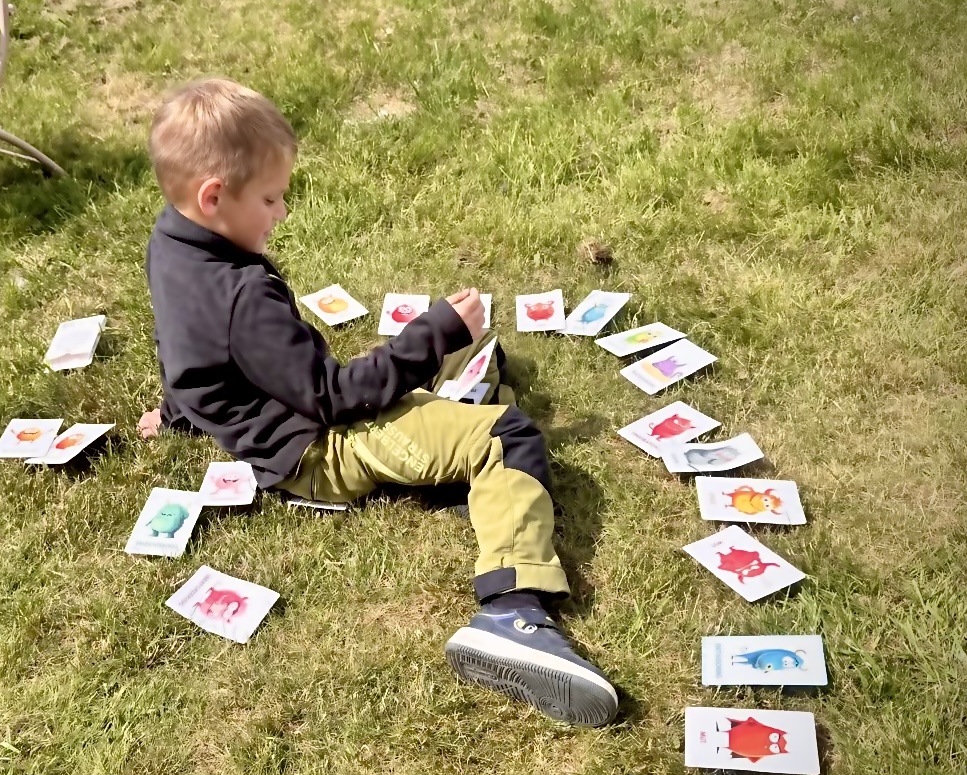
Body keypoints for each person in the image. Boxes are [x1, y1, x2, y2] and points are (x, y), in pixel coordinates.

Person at [136, 78, 618, 726]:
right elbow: (336, 398)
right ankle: (513, 612)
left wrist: (174, 412)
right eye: (271, 198)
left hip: (278, 433)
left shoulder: (169, 244)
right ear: (214, 196)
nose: (281, 213)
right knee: (504, 432)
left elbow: (187, 351)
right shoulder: (244, 294)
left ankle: (460, 472)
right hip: (316, 449)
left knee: (482, 369)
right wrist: (438, 331)